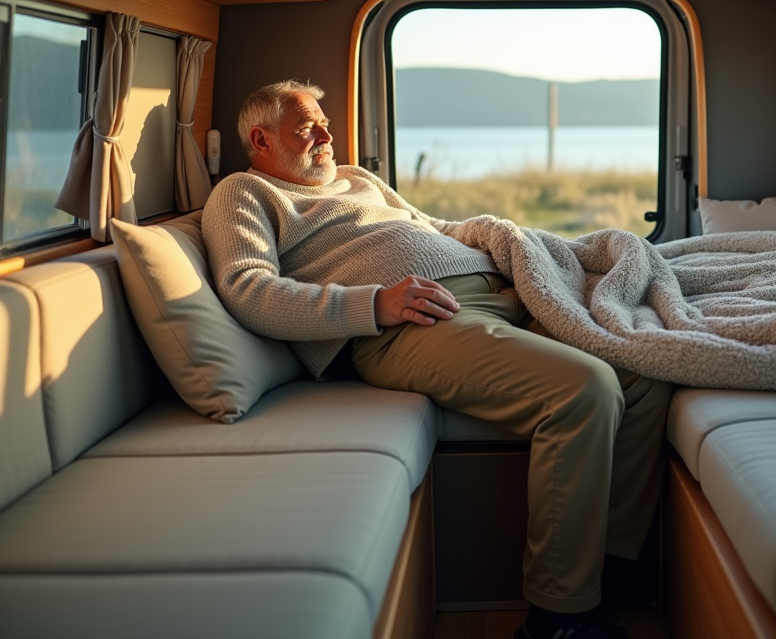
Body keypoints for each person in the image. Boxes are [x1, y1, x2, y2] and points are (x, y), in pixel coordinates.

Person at [201, 80, 673, 639]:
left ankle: (606, 571)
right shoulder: (243, 192)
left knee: (644, 370)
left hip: (502, 292)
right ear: (261, 140)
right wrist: (375, 303)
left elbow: (430, 227)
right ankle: (560, 615)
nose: (327, 136)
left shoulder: (356, 179)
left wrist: (498, 239)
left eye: (325, 123)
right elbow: (248, 288)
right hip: (412, 323)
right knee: (585, 388)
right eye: (308, 128)